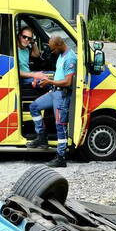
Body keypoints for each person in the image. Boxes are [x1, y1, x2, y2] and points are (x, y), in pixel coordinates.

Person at [26, 34, 77, 168]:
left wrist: (50, 81)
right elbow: (60, 75)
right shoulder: (61, 55)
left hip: (62, 95)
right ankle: (42, 137)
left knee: (60, 125)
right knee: (34, 107)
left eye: (53, 49)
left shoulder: (70, 57)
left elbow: (67, 82)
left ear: (59, 45)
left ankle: (61, 157)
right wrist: (48, 81)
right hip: (54, 91)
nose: (52, 52)